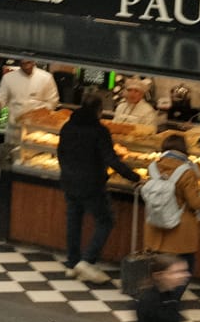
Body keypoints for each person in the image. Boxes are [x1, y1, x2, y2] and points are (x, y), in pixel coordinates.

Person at [59, 94, 140, 284]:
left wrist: (67, 172)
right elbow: (110, 159)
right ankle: (87, 261)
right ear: (99, 110)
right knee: (105, 221)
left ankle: (72, 263)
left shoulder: (67, 126)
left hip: (69, 181)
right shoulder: (99, 130)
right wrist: (134, 177)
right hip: (91, 184)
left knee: (74, 221)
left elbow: (60, 153)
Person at [140, 133, 200, 293]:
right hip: (179, 231)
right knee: (183, 268)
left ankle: (156, 297)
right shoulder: (187, 172)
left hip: (155, 225)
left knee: (158, 268)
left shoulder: (153, 167)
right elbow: (194, 203)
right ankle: (171, 300)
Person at [0, 58, 58, 126]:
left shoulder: (46, 77)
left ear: (34, 61)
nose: (26, 66)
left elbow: (53, 102)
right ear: (19, 62)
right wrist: (4, 119)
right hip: (14, 125)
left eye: (28, 62)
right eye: (23, 63)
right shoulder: (8, 78)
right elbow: (0, 100)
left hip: (38, 126)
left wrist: (38, 115)